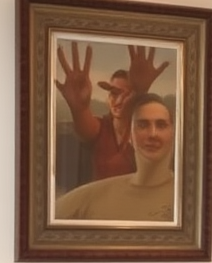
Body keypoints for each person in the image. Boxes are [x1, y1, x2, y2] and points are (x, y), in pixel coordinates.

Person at [55, 42, 170, 181]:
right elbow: (85, 127)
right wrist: (79, 108)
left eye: (127, 94)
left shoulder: (149, 130)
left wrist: (140, 92)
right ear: (107, 98)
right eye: (114, 93)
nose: (120, 100)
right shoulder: (102, 128)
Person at [54, 93, 176, 223]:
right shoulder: (93, 196)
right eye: (143, 125)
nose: (153, 134)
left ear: (173, 134)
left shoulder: (189, 197)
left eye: (161, 125)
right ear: (129, 136)